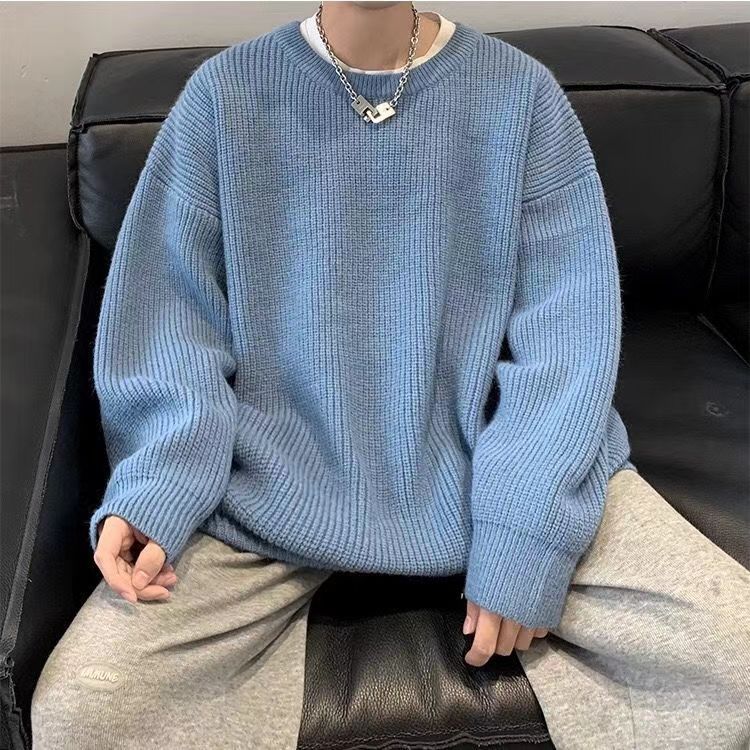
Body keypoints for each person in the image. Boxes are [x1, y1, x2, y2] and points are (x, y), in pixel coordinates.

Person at [31, 3, 750, 749]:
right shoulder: (225, 95)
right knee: (88, 712)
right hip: (271, 482)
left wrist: (525, 530)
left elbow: (567, 335)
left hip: (494, 462)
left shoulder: (521, 96)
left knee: (738, 658)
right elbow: (169, 320)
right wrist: (157, 487)